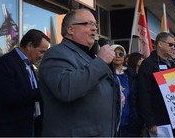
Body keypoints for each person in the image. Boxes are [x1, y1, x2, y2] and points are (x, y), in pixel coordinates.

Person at [39, 8, 121, 137]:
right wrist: (101, 61)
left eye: (95, 25)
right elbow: (66, 88)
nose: (94, 28)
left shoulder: (90, 56)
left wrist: (115, 96)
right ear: (71, 29)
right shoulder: (56, 53)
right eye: (88, 24)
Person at [0, 29, 50, 137]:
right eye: (41, 51)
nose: (42, 56)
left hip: (28, 127)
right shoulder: (6, 62)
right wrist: (42, 92)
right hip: (10, 130)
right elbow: (8, 96)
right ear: (29, 46)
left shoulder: (29, 64)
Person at [138, 32, 175, 137]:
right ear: (160, 44)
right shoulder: (147, 65)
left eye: (174, 45)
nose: (173, 48)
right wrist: (150, 122)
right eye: (170, 44)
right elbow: (143, 95)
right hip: (159, 120)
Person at [111, 45, 142, 137]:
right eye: (114, 53)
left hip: (129, 123)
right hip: (112, 123)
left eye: (121, 54)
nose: (118, 56)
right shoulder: (105, 73)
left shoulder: (131, 75)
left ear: (124, 57)